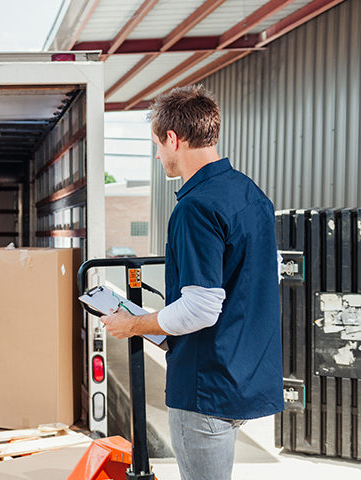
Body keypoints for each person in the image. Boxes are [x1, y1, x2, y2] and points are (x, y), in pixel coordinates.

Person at [101, 86, 283, 480]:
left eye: (157, 144)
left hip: (205, 388)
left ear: (173, 138)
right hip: (244, 376)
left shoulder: (195, 207)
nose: (157, 155)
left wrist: (132, 324)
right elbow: (241, 288)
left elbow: (200, 307)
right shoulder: (251, 194)